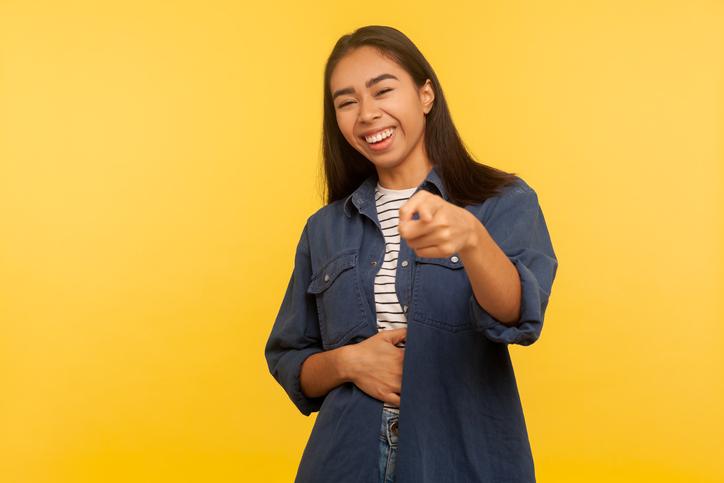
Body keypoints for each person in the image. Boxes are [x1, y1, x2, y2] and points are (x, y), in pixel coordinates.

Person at [264, 25, 558, 483]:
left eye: (383, 90)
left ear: (426, 95)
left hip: (462, 461)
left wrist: (473, 239)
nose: (366, 114)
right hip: (344, 462)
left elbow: (518, 316)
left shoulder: (502, 201)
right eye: (346, 102)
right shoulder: (324, 229)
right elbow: (290, 361)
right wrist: (349, 362)